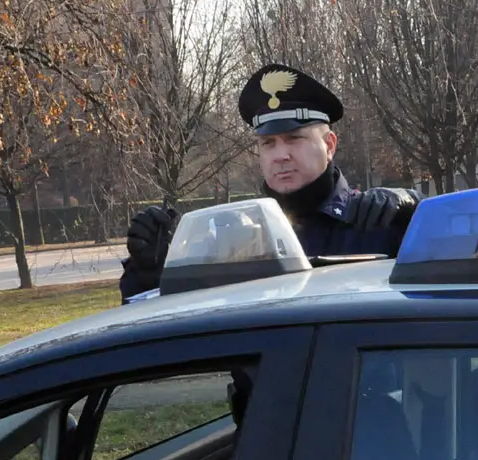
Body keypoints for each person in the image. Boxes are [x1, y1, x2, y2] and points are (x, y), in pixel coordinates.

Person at [119, 64, 421, 300]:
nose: (280, 155)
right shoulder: (234, 238)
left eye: (294, 139)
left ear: (329, 145)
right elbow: (157, 323)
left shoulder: (376, 222)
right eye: (269, 143)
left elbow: (461, 273)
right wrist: (151, 268)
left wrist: (419, 213)